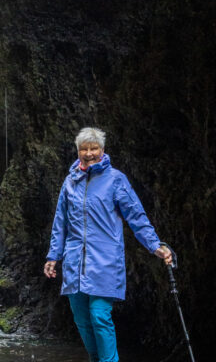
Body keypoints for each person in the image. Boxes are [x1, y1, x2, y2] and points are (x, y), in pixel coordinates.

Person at [44, 127, 172, 362]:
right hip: (75, 261)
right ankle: (96, 359)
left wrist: (155, 246)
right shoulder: (70, 181)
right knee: (82, 319)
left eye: (94, 148)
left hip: (105, 261)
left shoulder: (115, 180)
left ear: (102, 151)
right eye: (84, 149)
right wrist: (53, 256)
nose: (89, 153)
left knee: (99, 315)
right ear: (78, 151)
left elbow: (136, 216)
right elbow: (60, 222)